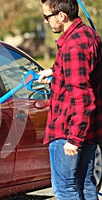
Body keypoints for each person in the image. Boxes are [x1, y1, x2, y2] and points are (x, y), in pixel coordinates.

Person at [38, 0, 102, 199]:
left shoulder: (73, 46)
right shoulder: (88, 35)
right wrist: (54, 71)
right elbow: (85, 71)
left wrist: (73, 139)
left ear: (62, 16)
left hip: (69, 129)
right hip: (89, 129)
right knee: (86, 186)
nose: (46, 22)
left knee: (65, 190)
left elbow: (82, 97)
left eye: (47, 17)